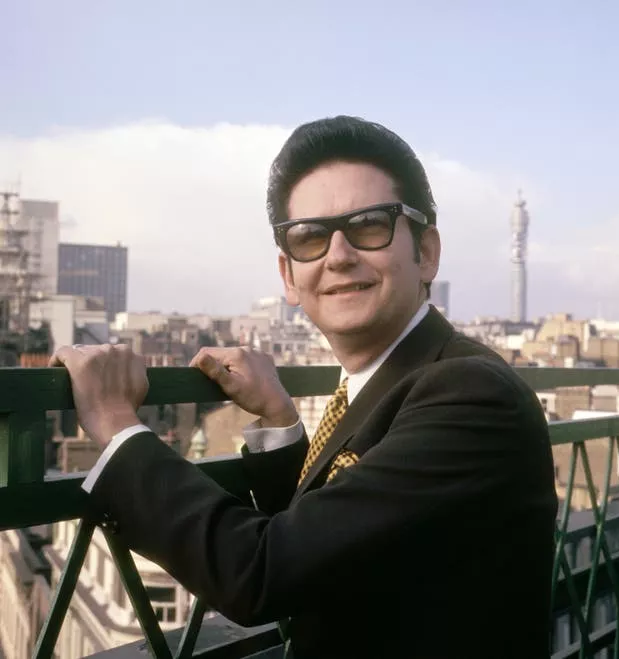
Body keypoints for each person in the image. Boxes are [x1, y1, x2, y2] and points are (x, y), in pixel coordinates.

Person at [51, 116, 558, 659]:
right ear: (289, 276)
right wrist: (277, 422)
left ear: (426, 252)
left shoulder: (472, 395)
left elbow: (262, 572)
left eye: (369, 225)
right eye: (310, 236)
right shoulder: (394, 382)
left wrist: (117, 426)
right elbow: (339, 540)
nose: (338, 255)